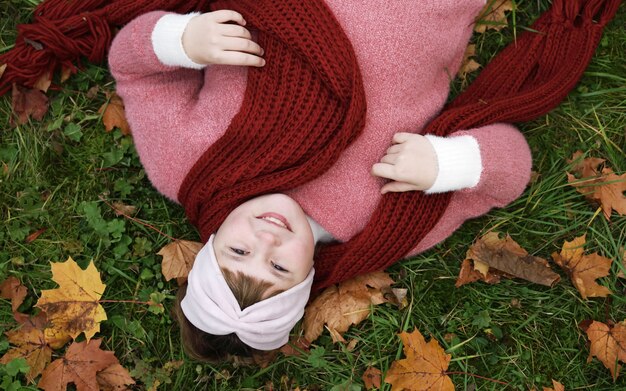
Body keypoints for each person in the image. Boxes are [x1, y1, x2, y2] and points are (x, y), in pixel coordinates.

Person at [108, 0, 532, 361]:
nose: (266, 239)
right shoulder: (378, 228)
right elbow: (510, 173)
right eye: (278, 266)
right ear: (308, 277)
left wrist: (182, 40)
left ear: (211, 245)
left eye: (238, 250)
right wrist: (448, 163)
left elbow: (132, 70)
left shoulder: (187, 167)